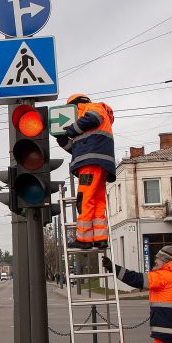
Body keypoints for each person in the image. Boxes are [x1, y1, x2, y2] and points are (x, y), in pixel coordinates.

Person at [56, 94, 115, 250]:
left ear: (75, 105)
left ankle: (84, 239)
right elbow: (79, 150)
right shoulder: (88, 123)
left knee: (85, 199)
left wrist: (70, 130)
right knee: (97, 201)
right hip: (98, 163)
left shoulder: (92, 108)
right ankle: (100, 238)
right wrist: (64, 141)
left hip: (91, 164)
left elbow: (93, 118)